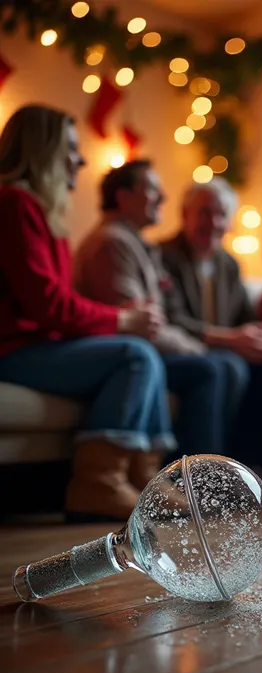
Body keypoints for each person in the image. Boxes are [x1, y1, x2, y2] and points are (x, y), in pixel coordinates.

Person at [0, 104, 176, 522]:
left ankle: (142, 479)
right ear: (42, 150)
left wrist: (122, 320)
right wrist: (121, 320)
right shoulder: (13, 204)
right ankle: (97, 484)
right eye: (71, 148)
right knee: (134, 355)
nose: (80, 160)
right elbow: (48, 306)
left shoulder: (43, 213)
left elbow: (55, 303)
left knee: (138, 351)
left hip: (38, 344)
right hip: (13, 350)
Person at [75, 160, 227, 457]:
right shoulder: (112, 243)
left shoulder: (134, 243)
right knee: (206, 369)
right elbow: (141, 327)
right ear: (124, 197)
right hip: (120, 351)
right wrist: (197, 347)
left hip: (144, 347)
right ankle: (195, 480)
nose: (163, 198)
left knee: (217, 365)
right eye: (153, 189)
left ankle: (212, 472)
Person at [160, 178, 262, 463]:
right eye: (204, 212)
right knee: (227, 366)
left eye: (221, 214)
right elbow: (172, 319)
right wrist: (233, 339)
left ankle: (250, 465)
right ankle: (206, 470)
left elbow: (244, 317)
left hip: (219, 351)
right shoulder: (163, 256)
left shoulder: (229, 264)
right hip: (179, 351)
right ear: (184, 215)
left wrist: (259, 336)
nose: (213, 222)